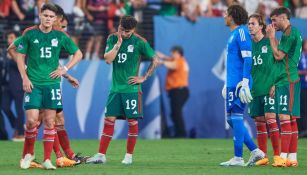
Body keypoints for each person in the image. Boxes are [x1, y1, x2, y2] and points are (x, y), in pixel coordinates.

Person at [8, 4, 86, 168]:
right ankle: (36, 156)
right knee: (36, 121)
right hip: (35, 82)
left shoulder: (59, 36)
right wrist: (25, 73)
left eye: (52, 17)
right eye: (62, 25)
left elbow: (53, 62)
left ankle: (52, 158)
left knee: (53, 120)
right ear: (42, 16)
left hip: (51, 84)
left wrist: (66, 73)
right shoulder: (30, 33)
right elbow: (12, 49)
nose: (62, 27)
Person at [86, 15, 159, 165]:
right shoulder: (112, 38)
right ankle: (101, 155)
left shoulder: (140, 42)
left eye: (127, 31)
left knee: (132, 122)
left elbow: (155, 59)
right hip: (116, 89)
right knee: (109, 120)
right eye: (121, 29)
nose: (123, 34)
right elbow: (107, 59)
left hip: (131, 89)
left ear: (133, 30)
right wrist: (118, 45)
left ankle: (128, 157)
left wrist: (144, 77)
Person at [220, 4, 264, 166]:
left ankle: (238, 157)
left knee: (236, 117)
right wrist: (227, 83)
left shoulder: (241, 32)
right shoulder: (233, 34)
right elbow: (233, 62)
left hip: (240, 83)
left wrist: (245, 81)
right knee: (231, 119)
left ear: (232, 16)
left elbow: (248, 57)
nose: (224, 16)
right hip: (232, 82)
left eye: (226, 14)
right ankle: (255, 150)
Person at [266, 7, 303, 167]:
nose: (273, 24)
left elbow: (278, 56)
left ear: (283, 17)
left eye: (274, 20)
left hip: (288, 80)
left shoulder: (289, 33)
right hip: (286, 79)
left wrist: (270, 38)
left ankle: (282, 157)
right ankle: (292, 158)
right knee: (291, 119)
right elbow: (280, 57)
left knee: (284, 118)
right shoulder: (290, 33)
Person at [247, 13, 284, 166]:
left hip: (269, 88)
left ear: (261, 26)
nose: (250, 26)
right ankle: (263, 156)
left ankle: (277, 156)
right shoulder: (248, 45)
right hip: (254, 90)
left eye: (253, 23)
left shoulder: (270, 41)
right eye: (249, 24)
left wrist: (276, 84)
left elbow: (281, 63)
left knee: (271, 119)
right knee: (259, 123)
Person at [157, 46, 189, 138]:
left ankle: (181, 134)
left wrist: (162, 62)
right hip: (178, 91)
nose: (172, 55)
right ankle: (179, 133)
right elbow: (170, 59)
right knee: (175, 113)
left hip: (179, 91)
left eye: (173, 53)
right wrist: (162, 57)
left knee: (177, 113)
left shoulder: (180, 61)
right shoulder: (179, 60)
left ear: (178, 53)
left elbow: (173, 65)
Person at [1, 31, 25, 142]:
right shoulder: (4, 53)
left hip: (18, 85)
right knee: (4, 107)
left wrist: (11, 54)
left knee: (19, 109)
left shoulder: (21, 51)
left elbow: (22, 66)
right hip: (6, 85)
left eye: (12, 37)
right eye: (8, 38)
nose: (9, 40)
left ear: (17, 39)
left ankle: (21, 133)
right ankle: (17, 125)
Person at [298, 39, 307, 137]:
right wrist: (304, 72)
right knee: (303, 109)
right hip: (302, 86)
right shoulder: (300, 57)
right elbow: (294, 71)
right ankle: (303, 130)